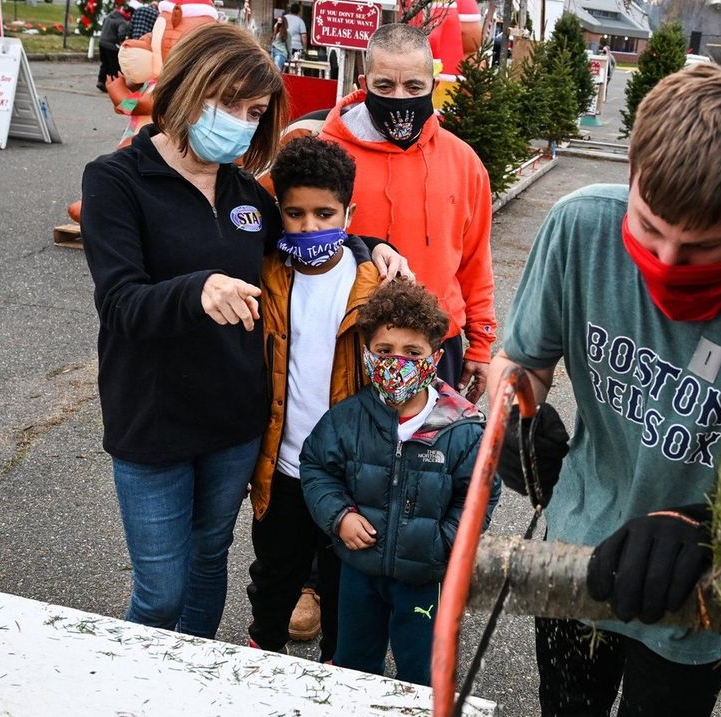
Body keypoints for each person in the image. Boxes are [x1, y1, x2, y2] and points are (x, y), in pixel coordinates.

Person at [488, 63, 721, 715]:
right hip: (577, 548)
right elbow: (521, 358)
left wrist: (713, 525)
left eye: (702, 247)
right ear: (631, 174)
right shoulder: (580, 227)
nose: (666, 263)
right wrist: (515, 411)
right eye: (650, 229)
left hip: (697, 587)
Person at [80, 24, 405, 639]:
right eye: (229, 103)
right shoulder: (115, 180)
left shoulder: (243, 191)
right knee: (159, 591)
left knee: (209, 565)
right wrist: (197, 289)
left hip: (234, 425)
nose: (240, 123)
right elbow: (120, 302)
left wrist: (373, 249)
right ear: (188, 87)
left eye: (255, 113)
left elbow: (304, 242)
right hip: (153, 423)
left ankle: (197, 681)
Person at [300, 279, 497, 685]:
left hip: (427, 577)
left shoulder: (461, 429)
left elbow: (478, 495)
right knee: (354, 665)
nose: (397, 362)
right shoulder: (346, 418)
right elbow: (317, 467)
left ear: (435, 357)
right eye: (384, 351)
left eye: (412, 352)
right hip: (359, 572)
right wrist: (338, 517)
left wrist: (444, 543)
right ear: (367, 354)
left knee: (422, 672)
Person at [245, 136, 398, 659]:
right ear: (278, 213)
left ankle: (338, 675)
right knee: (273, 582)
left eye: (324, 213)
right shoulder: (264, 274)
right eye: (295, 214)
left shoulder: (374, 284)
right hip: (283, 471)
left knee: (343, 590)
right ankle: (262, 663)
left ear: (348, 212)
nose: (310, 227)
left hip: (348, 477)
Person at [320, 23, 497, 403]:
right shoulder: (325, 155)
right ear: (364, 82)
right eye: (385, 87)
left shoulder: (463, 162)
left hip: (433, 347)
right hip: (347, 347)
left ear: (433, 84)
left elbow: (475, 261)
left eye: (413, 87)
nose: (400, 98)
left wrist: (481, 344)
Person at [97, 4, 132, 92]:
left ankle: (101, 81)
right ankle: (114, 85)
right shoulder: (122, 22)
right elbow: (121, 34)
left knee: (104, 64)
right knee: (114, 66)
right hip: (112, 46)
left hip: (102, 42)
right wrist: (122, 42)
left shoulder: (109, 16)